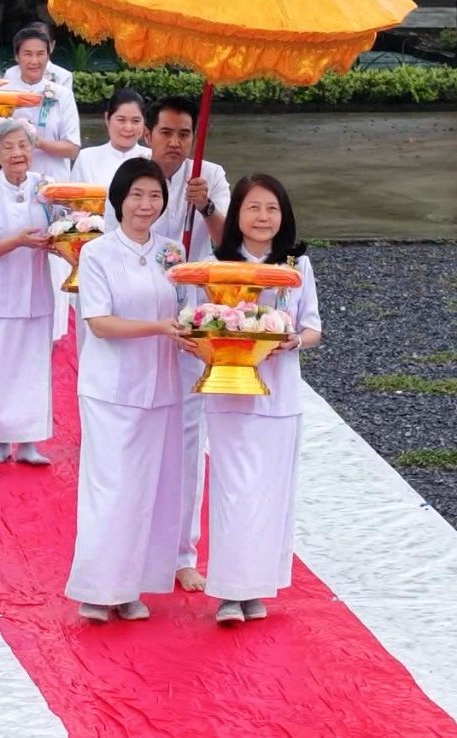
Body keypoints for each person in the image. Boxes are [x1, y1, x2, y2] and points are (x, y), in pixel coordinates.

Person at [65, 157, 195, 622]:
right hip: (110, 391)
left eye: (155, 196)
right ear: (119, 199)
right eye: (137, 195)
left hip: (161, 387)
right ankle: (98, 589)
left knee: (148, 490)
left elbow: (186, 313)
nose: (145, 204)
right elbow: (99, 323)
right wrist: (159, 328)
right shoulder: (97, 253)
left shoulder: (173, 253)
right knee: (111, 488)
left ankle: (131, 586)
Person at [204, 174, 321, 625]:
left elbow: (312, 326)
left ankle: (256, 589)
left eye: (272, 208)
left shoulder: (296, 265)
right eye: (253, 207)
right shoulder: (216, 264)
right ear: (236, 213)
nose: (262, 217)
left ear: (283, 215)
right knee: (233, 492)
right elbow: (200, 322)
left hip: (280, 394)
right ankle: (228, 592)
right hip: (230, 392)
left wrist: (292, 341)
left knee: (270, 494)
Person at [146, 94, 231, 593]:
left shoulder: (210, 176)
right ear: (149, 135)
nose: (175, 143)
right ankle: (138, 545)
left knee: (186, 434)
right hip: (142, 321)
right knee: (140, 433)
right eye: (166, 133)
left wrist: (207, 207)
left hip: (191, 324)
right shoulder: (133, 178)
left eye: (184, 135)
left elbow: (227, 245)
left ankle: (182, 551)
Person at [0, 119, 56, 465]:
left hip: (35, 294)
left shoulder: (46, 187)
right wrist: (17, 241)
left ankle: (29, 443)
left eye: (23, 145)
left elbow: (63, 227)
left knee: (32, 368)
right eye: (8, 147)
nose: (17, 153)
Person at [4, 26, 81, 341]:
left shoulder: (60, 94)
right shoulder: (5, 91)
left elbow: (72, 147)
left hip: (53, 185)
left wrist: (36, 143)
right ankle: (15, 323)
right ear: (16, 56)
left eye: (40, 54)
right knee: (17, 250)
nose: (34, 61)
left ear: (49, 55)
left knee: (53, 254)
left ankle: (52, 330)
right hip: (13, 184)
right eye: (27, 54)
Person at [66, 88, 152, 349]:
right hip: (96, 253)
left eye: (136, 121)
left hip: (140, 254)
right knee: (93, 332)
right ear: (107, 119)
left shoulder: (151, 159)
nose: (128, 128)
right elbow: (75, 210)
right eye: (121, 120)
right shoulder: (87, 157)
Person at [2, 21, 73, 88]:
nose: (34, 61)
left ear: (52, 45)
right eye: (28, 53)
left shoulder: (63, 76)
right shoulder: (11, 73)